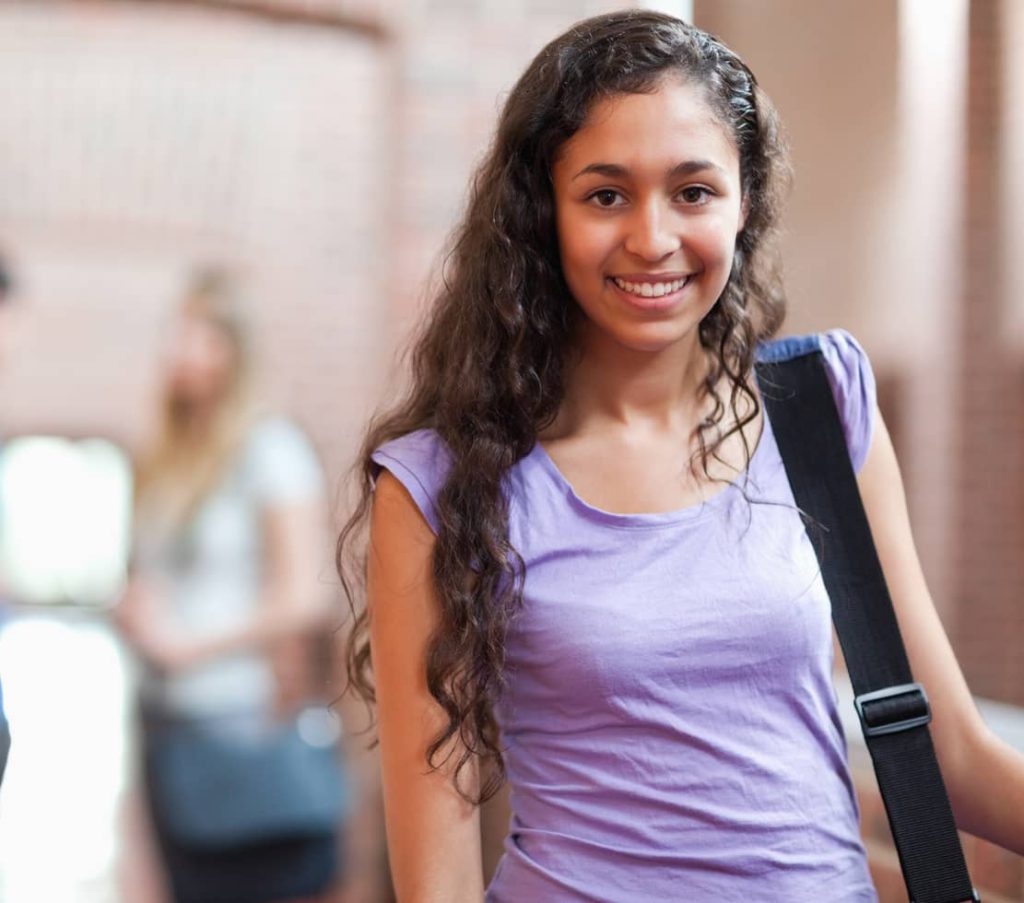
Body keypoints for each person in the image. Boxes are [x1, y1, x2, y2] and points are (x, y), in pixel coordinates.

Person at [337, 11, 1024, 902]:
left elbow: (950, 751)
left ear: (746, 202)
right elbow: (439, 886)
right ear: (542, 213)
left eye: (693, 191)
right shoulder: (440, 485)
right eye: (606, 194)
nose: (653, 238)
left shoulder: (821, 409)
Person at [118, 269, 346, 903]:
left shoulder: (269, 449)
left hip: (241, 731)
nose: (178, 349)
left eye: (197, 334)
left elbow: (305, 596)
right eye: (176, 333)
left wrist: (187, 645)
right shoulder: (170, 455)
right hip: (169, 728)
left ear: (232, 351)